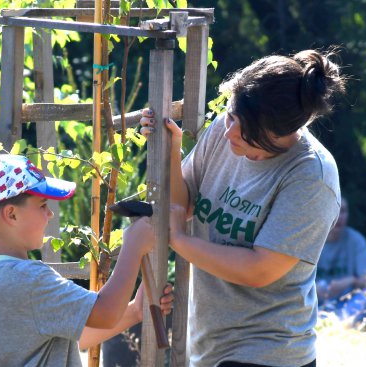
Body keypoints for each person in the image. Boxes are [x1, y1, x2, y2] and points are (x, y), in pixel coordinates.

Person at [141, 49, 346, 367]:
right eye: (232, 116)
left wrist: (180, 240)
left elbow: (259, 269)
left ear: (281, 134)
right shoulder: (228, 131)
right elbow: (184, 202)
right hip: (211, 346)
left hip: (268, 352)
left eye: (246, 130)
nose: (230, 133)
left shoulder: (312, 176)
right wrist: (170, 149)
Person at [0, 154, 173, 366]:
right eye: (43, 205)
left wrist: (136, 310)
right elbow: (106, 312)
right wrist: (133, 247)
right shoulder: (29, 279)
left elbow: (73, 333)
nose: (50, 214)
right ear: (12, 215)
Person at [316, 197, 366, 323]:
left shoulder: (356, 240)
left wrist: (350, 281)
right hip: (315, 304)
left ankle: (340, 324)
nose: (339, 216)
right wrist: (313, 290)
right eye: (334, 210)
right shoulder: (310, 240)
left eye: (343, 211)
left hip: (348, 304)